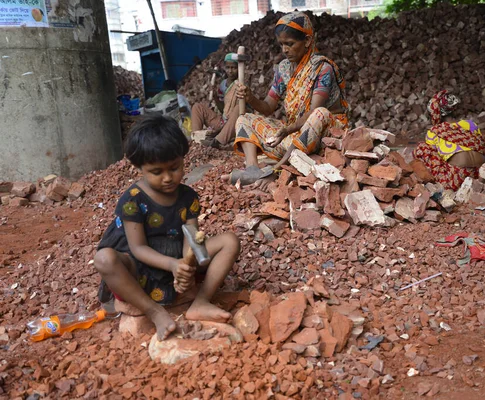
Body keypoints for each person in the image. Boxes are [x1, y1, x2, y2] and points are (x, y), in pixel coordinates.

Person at [94, 115, 241, 341]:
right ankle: (155, 312)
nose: (167, 178)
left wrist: (186, 266)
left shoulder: (188, 197)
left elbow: (191, 240)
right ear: (140, 168)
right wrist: (173, 264)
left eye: (174, 168)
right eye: (156, 172)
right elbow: (138, 248)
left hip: (175, 257)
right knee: (104, 259)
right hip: (140, 264)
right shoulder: (133, 199)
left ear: (183, 159)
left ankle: (201, 301)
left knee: (229, 241)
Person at [226, 11, 349, 187]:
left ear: (307, 41)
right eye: (282, 44)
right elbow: (268, 107)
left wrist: (287, 130)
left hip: (322, 135)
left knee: (320, 114)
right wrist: (250, 97)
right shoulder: (283, 69)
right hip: (295, 137)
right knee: (244, 119)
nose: (285, 49)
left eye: (290, 44)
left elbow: (312, 114)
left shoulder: (322, 69)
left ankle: (277, 169)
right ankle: (253, 169)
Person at [413, 90, 485, 191]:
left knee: (422, 149)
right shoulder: (471, 124)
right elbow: (484, 150)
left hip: (458, 178)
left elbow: (435, 159)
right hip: (481, 173)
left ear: (437, 113)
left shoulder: (434, 132)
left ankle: (436, 186)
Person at [191, 54, 241, 148]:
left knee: (238, 108)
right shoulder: (223, 85)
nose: (230, 71)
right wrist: (216, 98)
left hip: (235, 124)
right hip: (223, 121)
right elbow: (223, 110)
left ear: (239, 68)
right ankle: (196, 140)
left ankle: (218, 142)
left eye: (234, 68)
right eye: (228, 67)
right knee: (197, 107)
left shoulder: (241, 83)